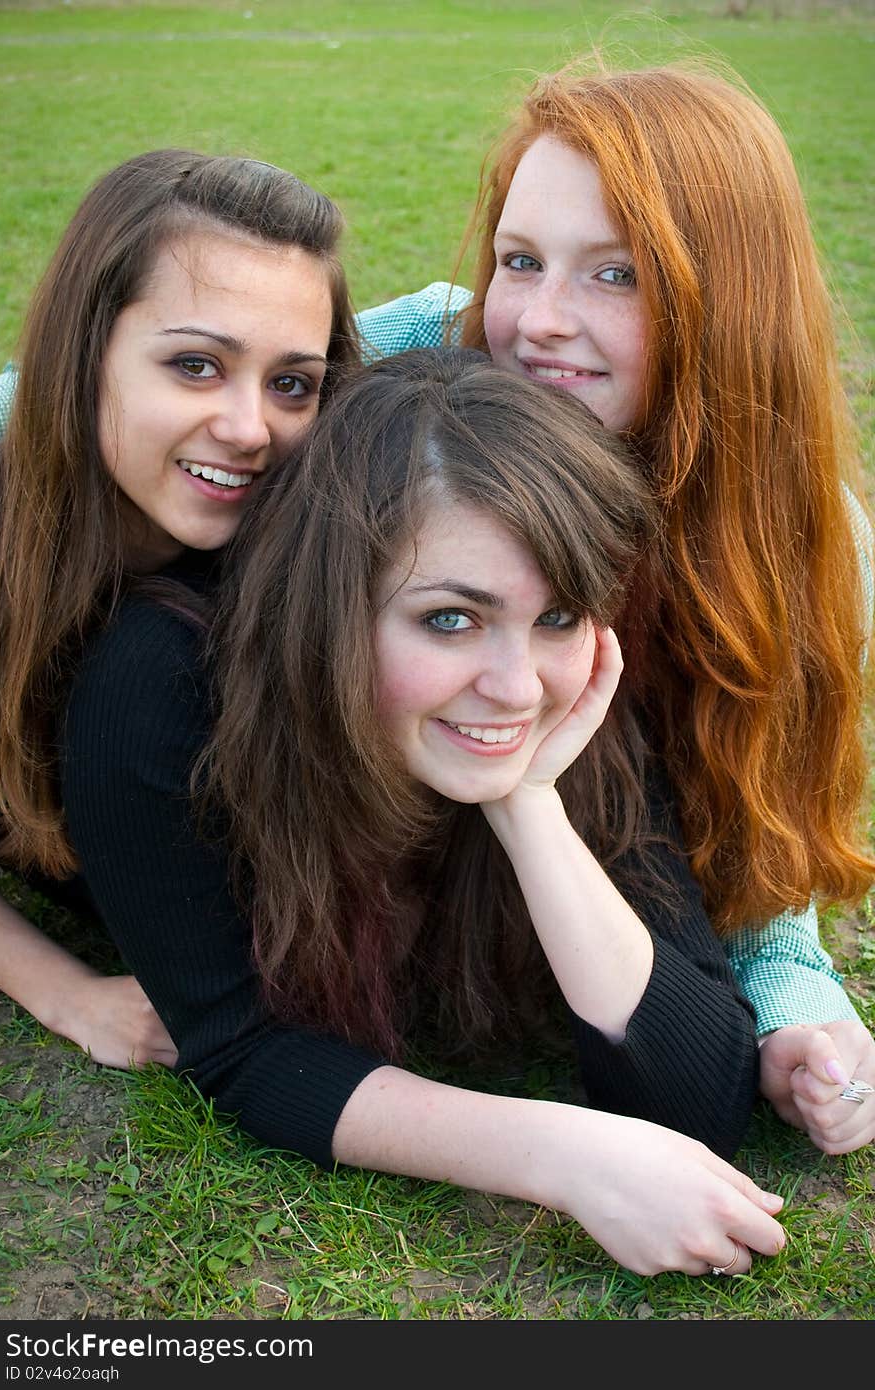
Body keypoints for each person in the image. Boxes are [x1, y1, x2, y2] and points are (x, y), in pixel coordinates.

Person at [53, 343, 786, 1276]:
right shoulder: (158, 688)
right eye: (450, 619)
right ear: (331, 604)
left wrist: (529, 808)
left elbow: (701, 1089)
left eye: (557, 615)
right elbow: (240, 1047)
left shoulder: (571, 691)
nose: (518, 688)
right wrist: (563, 1156)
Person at [353, 60, 875, 1154]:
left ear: (725, 299)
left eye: (615, 276)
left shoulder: (794, 542)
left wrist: (799, 1005)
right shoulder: (429, 350)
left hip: (602, 885)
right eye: (520, 260)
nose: (538, 320)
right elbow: (102, 381)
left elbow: (749, 818)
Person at [0, 146, 359, 1067]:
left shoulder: (300, 533)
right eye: (195, 365)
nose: (248, 429)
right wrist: (64, 993)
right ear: (87, 352)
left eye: (291, 384)